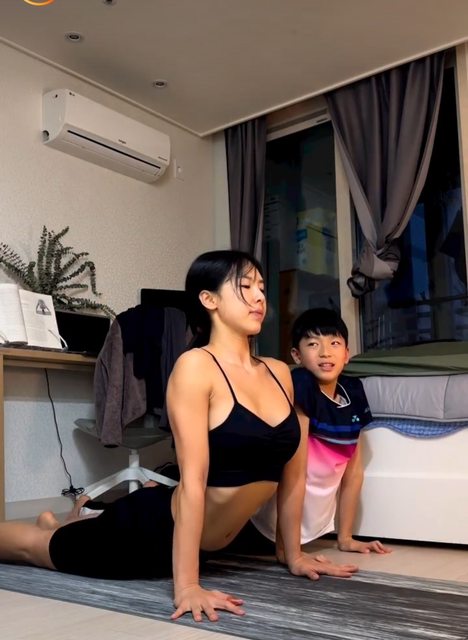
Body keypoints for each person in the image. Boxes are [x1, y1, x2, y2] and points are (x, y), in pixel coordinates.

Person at [0, 252, 358, 623]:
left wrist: (293, 555)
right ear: (209, 299)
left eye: (262, 288)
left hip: (206, 544)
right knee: (34, 548)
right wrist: (187, 585)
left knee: (66, 535)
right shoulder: (196, 367)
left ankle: (66, 522)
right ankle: (56, 528)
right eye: (245, 287)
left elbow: (293, 477)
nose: (259, 297)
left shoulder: (279, 372)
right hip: (151, 534)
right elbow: (193, 483)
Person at [251, 308, 392, 555]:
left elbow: (353, 472)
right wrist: (288, 553)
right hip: (268, 528)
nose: (325, 352)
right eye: (313, 344)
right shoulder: (301, 386)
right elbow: (293, 474)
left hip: (313, 527)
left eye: (334, 343)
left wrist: (345, 538)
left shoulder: (352, 390)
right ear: (297, 355)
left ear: (347, 354)